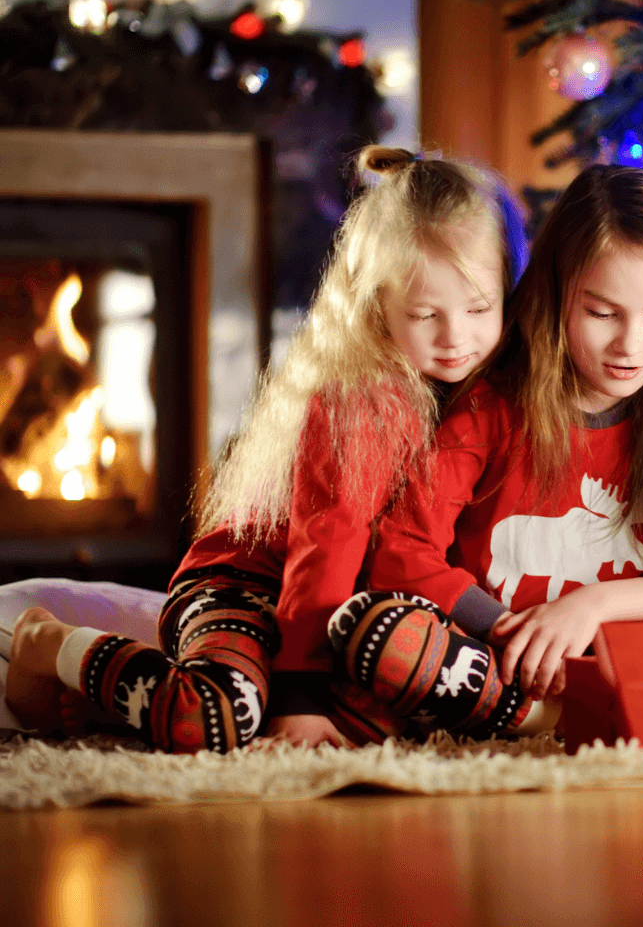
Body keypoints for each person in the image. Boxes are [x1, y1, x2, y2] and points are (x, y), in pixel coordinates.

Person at [3, 145, 526, 752]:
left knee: (392, 709)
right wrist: (299, 700)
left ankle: (129, 694)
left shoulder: (492, 394)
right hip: (251, 586)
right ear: (376, 307)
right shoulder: (362, 402)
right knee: (217, 720)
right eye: (424, 314)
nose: (456, 337)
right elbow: (323, 550)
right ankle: (49, 646)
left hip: (348, 614)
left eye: (480, 309)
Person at [325, 164, 643, 739]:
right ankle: (568, 715)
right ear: (557, 295)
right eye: (602, 314)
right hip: (506, 659)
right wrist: (513, 631)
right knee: (374, 629)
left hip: (633, 651)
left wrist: (598, 605)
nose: (631, 345)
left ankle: (606, 705)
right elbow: (403, 554)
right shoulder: (490, 409)